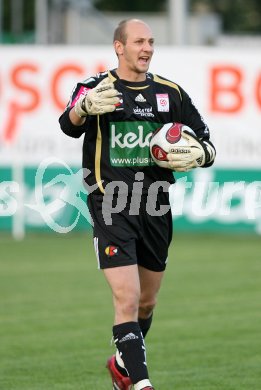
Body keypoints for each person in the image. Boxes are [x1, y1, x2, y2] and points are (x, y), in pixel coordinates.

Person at [59, 18, 216, 390]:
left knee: (146, 303)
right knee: (126, 299)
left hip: (156, 207)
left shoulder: (170, 93)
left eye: (151, 42)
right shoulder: (96, 88)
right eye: (139, 42)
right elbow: (68, 123)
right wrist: (84, 107)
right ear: (119, 46)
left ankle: (121, 362)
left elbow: (206, 143)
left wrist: (199, 154)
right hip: (110, 203)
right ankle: (141, 383)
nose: (146, 48)